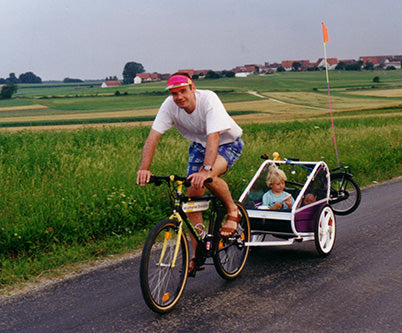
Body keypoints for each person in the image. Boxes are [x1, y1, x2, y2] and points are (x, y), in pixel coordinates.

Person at [136, 72, 244, 276]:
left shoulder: (209, 99)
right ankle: (198, 254)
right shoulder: (169, 105)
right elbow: (153, 137)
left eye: (183, 91)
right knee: (192, 199)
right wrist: (144, 168)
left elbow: (214, 137)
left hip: (227, 143)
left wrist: (205, 170)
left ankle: (232, 211)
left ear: (193, 88)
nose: (179, 97)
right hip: (199, 147)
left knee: (209, 178)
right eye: (174, 93)